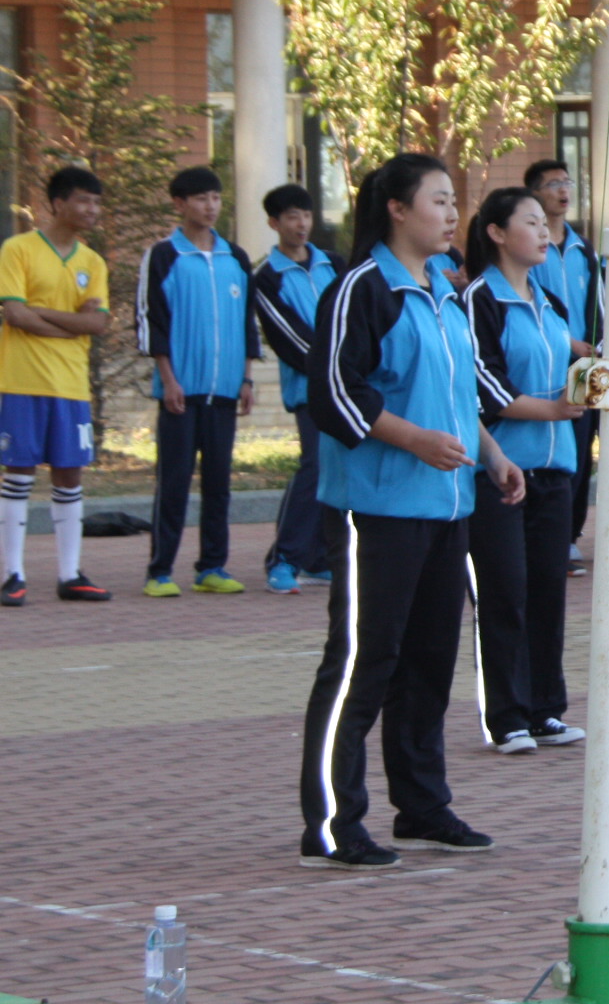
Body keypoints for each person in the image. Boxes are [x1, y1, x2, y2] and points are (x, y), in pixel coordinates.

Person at [301, 153, 525, 869]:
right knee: (364, 661)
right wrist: (414, 440)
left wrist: (491, 455)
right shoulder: (360, 290)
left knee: (430, 662)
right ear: (396, 209)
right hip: (379, 508)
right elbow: (335, 396)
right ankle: (332, 824)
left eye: (453, 200)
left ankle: (422, 809)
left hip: (447, 504)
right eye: (437, 200)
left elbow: (460, 401)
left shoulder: (447, 292)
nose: (450, 213)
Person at [462, 187, 587, 752]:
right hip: (499, 474)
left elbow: (568, 364)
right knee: (504, 592)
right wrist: (555, 408)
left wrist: (590, 384)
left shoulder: (551, 303)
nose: (544, 232)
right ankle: (506, 717)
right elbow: (482, 389)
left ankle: (546, 709)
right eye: (531, 222)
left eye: (546, 223)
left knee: (546, 593)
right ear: (496, 232)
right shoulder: (478, 301)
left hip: (557, 469)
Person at [137, 165, 260, 596]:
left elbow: (248, 323)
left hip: (224, 391)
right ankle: (160, 571)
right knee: (173, 482)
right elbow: (152, 322)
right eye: (201, 198)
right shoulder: (164, 256)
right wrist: (168, 379)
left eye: (216, 198)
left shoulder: (236, 259)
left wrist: (246, 378)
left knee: (219, 484)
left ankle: (212, 566)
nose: (210, 207)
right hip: (180, 392)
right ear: (179, 204)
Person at [0, 167, 113, 608]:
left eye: (97, 203)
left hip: (70, 386)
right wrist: (74, 324)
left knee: (69, 473)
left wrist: (44, 316)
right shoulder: (18, 250)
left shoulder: (92, 262)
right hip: (21, 380)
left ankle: (70, 574)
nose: (92, 210)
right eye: (84, 201)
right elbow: (14, 314)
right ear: (58, 203)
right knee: (18, 472)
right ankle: (13, 574)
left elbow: (98, 323)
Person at [250, 184, 338, 594]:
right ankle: (283, 558)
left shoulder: (333, 264)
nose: (301, 224)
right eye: (291, 217)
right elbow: (288, 338)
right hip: (311, 390)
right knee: (315, 466)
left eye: (305, 215)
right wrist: (336, 363)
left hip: (347, 385)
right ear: (273, 223)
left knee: (334, 470)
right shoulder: (266, 278)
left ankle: (318, 559)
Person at [524, 160, 598, 572]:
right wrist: (565, 341)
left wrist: (594, 346)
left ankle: (569, 537)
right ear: (534, 193)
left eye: (566, 183)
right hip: (545, 360)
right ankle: (545, 535)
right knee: (551, 439)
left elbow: (596, 304)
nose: (563, 191)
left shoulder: (583, 247)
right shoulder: (529, 247)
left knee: (582, 447)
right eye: (553, 184)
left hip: (584, 362)